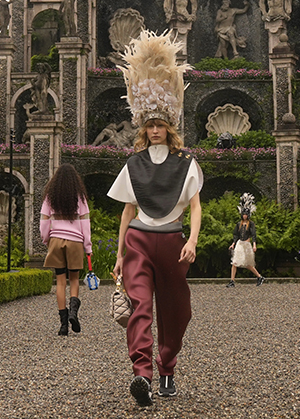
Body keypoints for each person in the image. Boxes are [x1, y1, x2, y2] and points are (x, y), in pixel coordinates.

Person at [108, 30, 202, 406]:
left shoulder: (187, 163)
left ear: (170, 126)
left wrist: (192, 240)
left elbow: (195, 206)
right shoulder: (134, 164)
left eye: (161, 124)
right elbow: (127, 210)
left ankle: (167, 366)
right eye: (150, 125)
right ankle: (142, 375)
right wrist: (118, 253)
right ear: (144, 128)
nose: (155, 129)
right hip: (139, 241)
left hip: (174, 242)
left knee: (177, 312)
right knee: (140, 307)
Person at [40, 163, 92, 336]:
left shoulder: (50, 196)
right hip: (76, 241)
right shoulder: (80, 197)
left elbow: (44, 221)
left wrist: (47, 239)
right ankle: (73, 313)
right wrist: (88, 246)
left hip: (56, 239)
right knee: (74, 280)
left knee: (60, 282)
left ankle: (63, 325)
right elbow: (85, 223)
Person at [227, 193, 265, 287]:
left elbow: (253, 234)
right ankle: (232, 281)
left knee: (248, 264)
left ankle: (259, 277)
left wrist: (254, 245)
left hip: (247, 244)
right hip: (240, 244)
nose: (244, 216)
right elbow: (236, 235)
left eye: (246, 214)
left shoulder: (251, 224)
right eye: (243, 214)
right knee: (235, 262)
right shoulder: (238, 224)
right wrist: (233, 244)